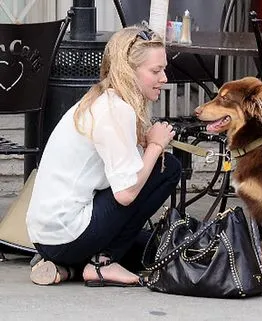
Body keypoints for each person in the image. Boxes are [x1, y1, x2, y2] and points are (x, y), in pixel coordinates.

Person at [26, 24, 181, 287]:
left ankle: (66, 269)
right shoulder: (117, 110)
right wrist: (155, 146)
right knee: (167, 168)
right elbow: (126, 193)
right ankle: (102, 263)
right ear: (128, 71)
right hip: (67, 235)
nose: (164, 78)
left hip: (48, 235)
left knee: (152, 247)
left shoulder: (101, 99)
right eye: (156, 71)